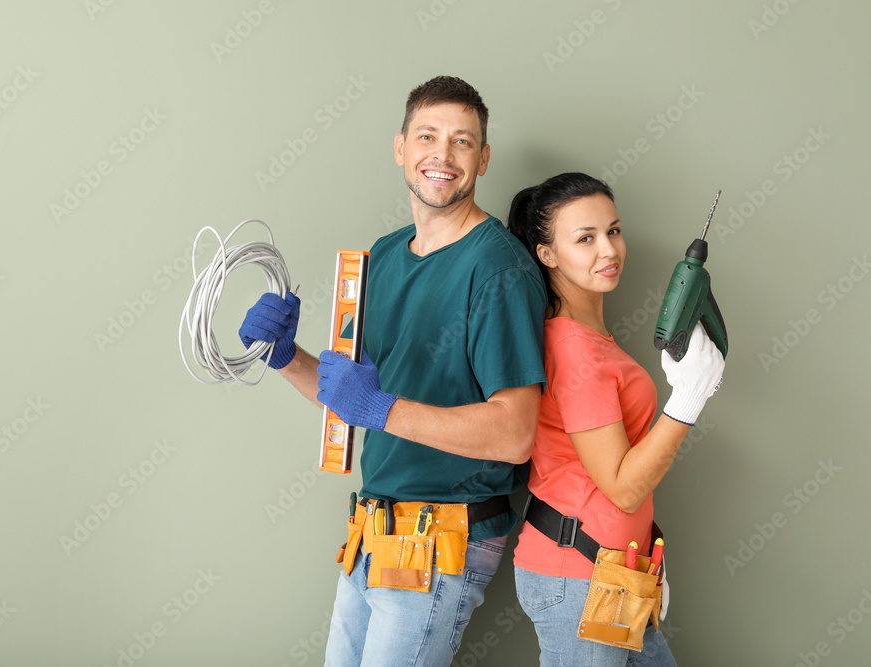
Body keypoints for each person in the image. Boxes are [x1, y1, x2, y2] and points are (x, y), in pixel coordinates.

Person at [237, 76, 548, 665]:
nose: (443, 154)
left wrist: (380, 408)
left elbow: (515, 434)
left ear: (483, 158)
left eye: (463, 141)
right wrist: (285, 358)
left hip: (441, 537)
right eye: (428, 136)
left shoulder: (499, 269)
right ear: (401, 147)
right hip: (372, 526)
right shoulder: (382, 255)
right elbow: (355, 401)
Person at [506, 172, 725, 665]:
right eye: (585, 238)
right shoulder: (575, 350)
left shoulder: (591, 339)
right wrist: (687, 398)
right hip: (578, 579)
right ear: (547, 254)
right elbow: (622, 487)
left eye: (614, 230)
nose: (609, 249)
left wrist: (645, 554)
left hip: (617, 573)